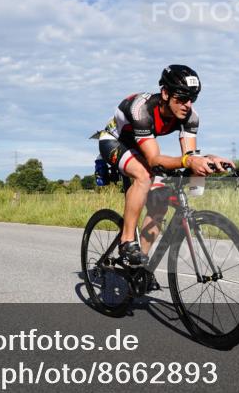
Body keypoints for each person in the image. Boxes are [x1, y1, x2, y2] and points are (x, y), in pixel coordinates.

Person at [96, 65, 232, 267]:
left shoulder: (190, 116)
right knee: (143, 175)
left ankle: (138, 268)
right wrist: (189, 161)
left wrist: (208, 161)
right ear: (165, 94)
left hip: (140, 146)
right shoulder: (142, 109)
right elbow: (154, 160)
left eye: (192, 99)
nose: (187, 105)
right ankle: (127, 241)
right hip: (114, 141)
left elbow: (189, 158)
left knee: (159, 203)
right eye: (182, 98)